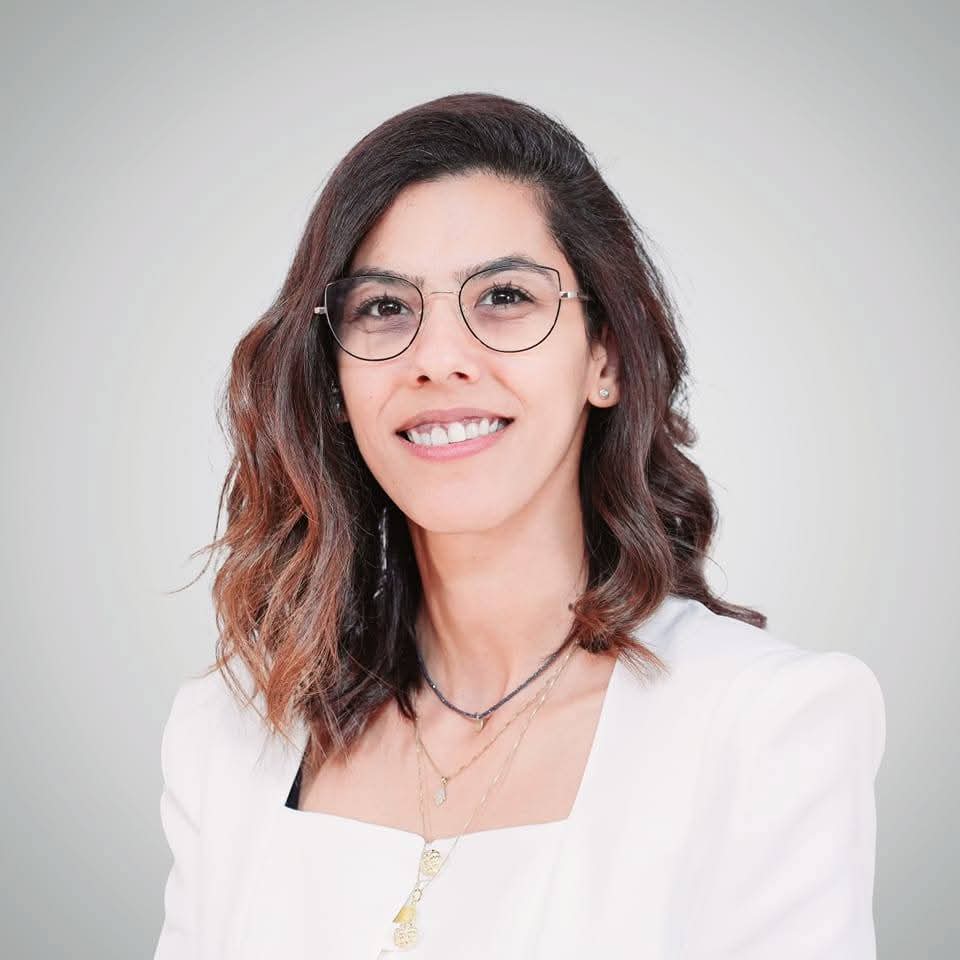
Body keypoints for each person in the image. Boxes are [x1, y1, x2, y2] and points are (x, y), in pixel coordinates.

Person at [153, 92, 886, 959]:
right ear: (334, 381)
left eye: (504, 296)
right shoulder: (229, 732)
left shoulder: (767, 726)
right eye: (383, 308)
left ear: (606, 357)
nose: (438, 360)